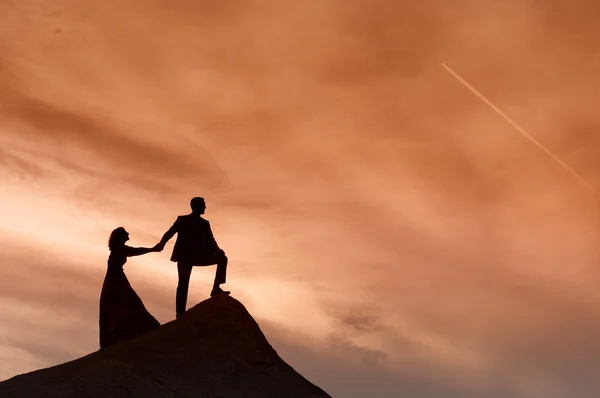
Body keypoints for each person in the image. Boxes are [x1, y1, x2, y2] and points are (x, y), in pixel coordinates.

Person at [157, 197, 229, 318]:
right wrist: (161, 244)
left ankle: (216, 288)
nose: (205, 207)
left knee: (222, 259)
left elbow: (211, 241)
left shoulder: (204, 223)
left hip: (198, 256)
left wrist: (218, 251)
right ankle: (180, 312)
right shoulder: (182, 220)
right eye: (203, 205)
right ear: (197, 206)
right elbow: (170, 233)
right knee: (183, 283)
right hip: (184, 257)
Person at [99, 227, 161, 349]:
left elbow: (134, 251)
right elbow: (135, 251)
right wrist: (153, 249)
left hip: (116, 279)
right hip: (115, 281)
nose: (128, 233)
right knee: (127, 304)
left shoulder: (118, 249)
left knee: (125, 304)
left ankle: (124, 331)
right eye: (125, 232)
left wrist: (153, 249)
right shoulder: (119, 249)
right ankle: (126, 332)